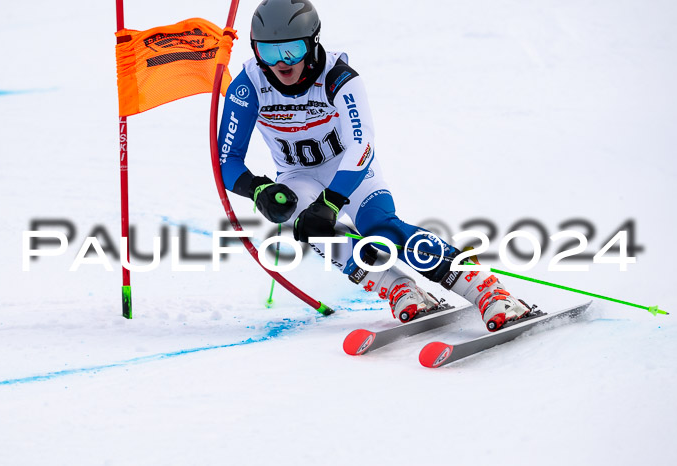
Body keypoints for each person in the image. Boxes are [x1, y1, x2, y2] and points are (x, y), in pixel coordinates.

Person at [218, 0, 530, 331]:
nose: (282, 63)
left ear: (312, 42)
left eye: (293, 50)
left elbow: (361, 144)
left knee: (380, 232)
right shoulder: (248, 86)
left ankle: (486, 289)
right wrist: (259, 190)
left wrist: (333, 201)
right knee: (313, 227)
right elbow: (227, 161)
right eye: (269, 52)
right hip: (298, 177)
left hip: (352, 170)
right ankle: (399, 289)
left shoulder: (338, 77)